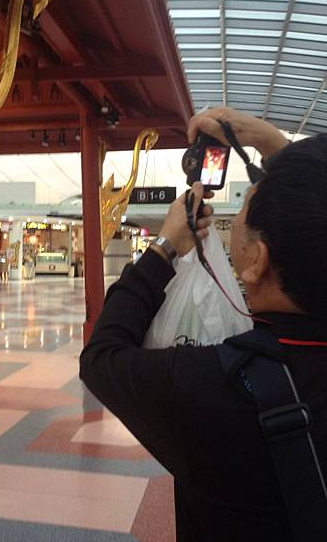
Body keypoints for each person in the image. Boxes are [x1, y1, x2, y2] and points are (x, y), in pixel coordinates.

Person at [80, 107, 327, 542]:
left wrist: (163, 248)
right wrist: (269, 140)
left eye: (245, 207)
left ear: (256, 262)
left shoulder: (218, 385)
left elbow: (101, 359)